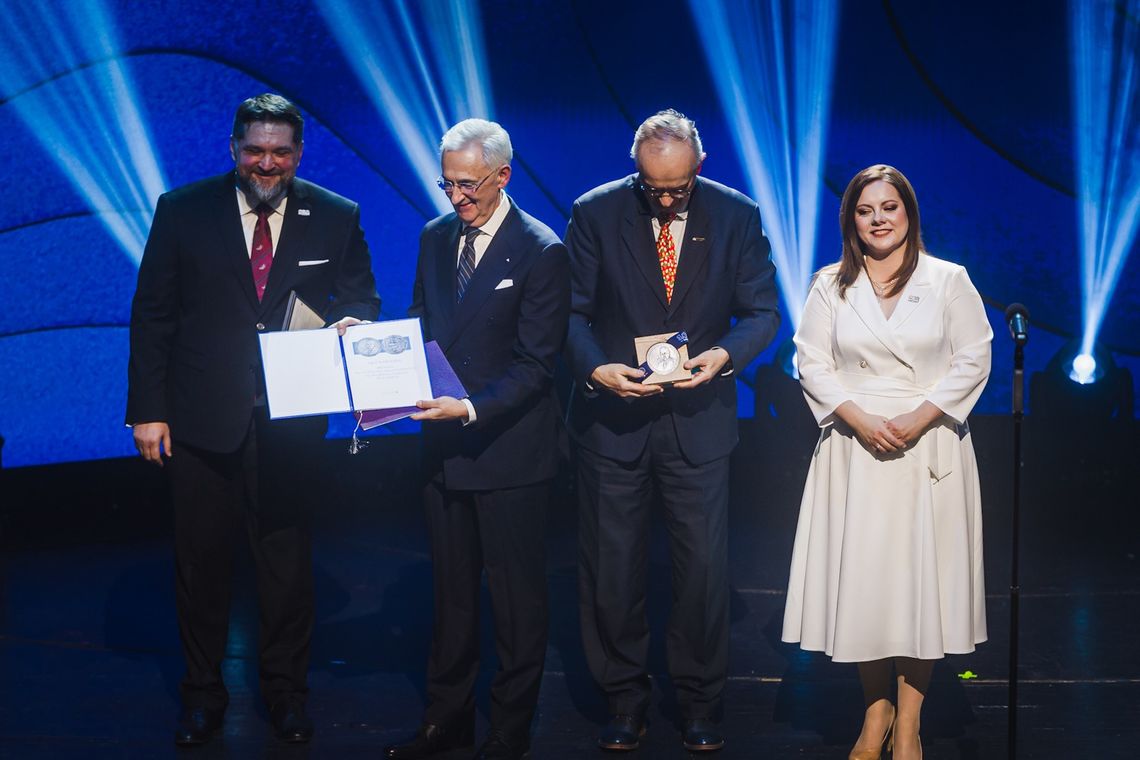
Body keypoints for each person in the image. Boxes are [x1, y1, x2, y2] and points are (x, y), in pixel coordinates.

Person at [126, 93, 380, 747]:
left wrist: (356, 321)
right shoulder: (182, 210)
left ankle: (287, 696)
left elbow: (360, 295)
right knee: (201, 569)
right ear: (234, 148)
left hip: (291, 424)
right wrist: (147, 412)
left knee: (287, 575)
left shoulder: (335, 213)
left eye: (281, 152)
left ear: (299, 153)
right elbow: (153, 315)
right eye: (255, 150)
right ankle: (202, 695)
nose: (267, 163)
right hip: (202, 422)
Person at [564, 109, 780, 753]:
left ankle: (699, 702)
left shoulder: (736, 215)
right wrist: (595, 368)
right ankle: (624, 700)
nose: (663, 199)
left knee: (703, 572)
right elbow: (568, 314)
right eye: (652, 187)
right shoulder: (595, 212)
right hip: (614, 422)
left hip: (699, 422)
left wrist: (726, 357)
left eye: (676, 189)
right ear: (636, 170)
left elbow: (761, 312)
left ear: (699, 169)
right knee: (612, 570)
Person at [781, 164, 992, 760]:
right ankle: (875, 715)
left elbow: (973, 360)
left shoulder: (948, 279)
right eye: (865, 209)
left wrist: (919, 418)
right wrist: (859, 419)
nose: (878, 219)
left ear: (909, 213)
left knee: (918, 589)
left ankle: (910, 724)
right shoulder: (830, 284)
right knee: (869, 589)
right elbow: (811, 363)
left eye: (889, 208)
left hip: (927, 448)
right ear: (851, 218)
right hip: (855, 448)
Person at [383, 119, 569, 760]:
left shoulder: (540, 248)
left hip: (507, 451)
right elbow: (419, 324)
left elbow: (537, 365)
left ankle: (510, 729)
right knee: (451, 596)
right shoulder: (437, 238)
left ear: (502, 176)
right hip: (442, 453)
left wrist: (468, 408)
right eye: (447, 184)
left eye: (467, 185)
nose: (456, 198)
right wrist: (370, 345)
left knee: (516, 603)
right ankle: (446, 719)